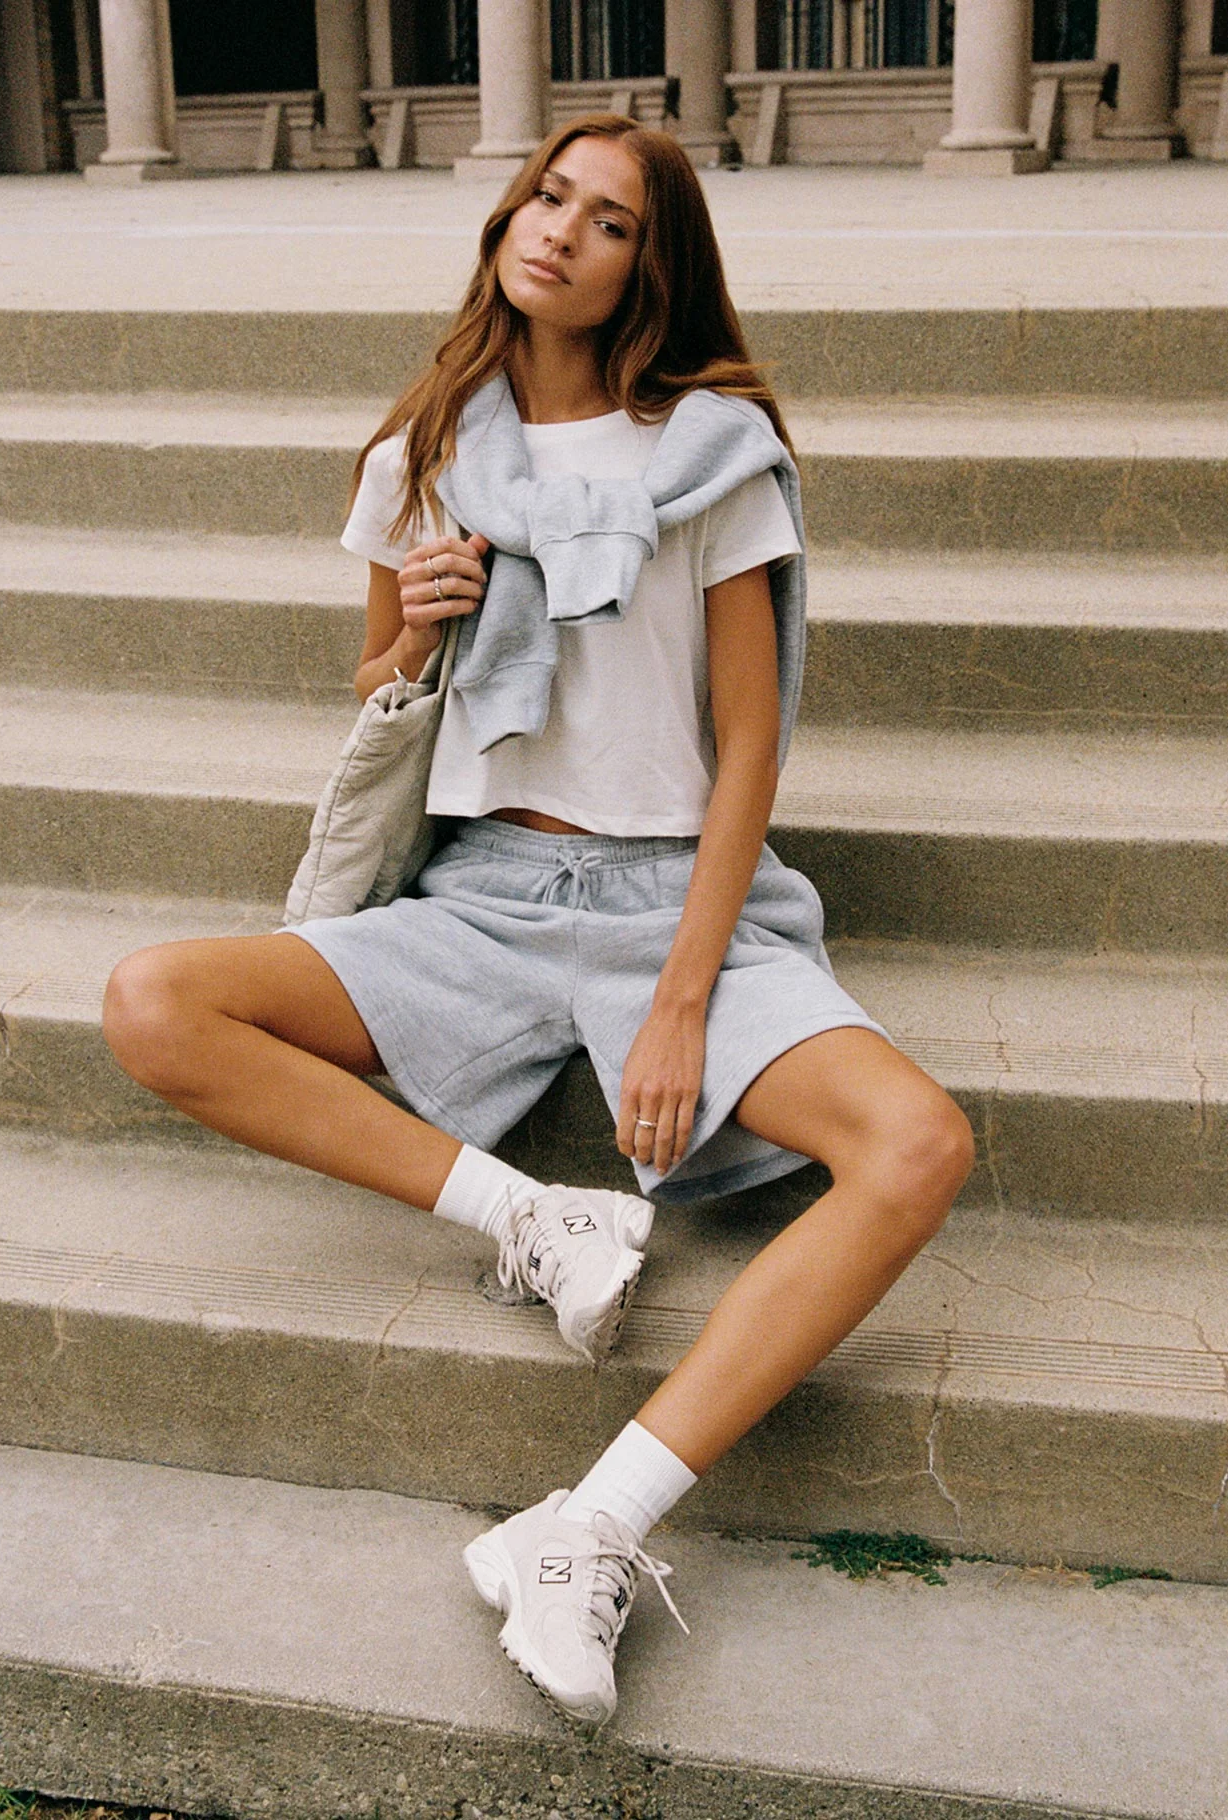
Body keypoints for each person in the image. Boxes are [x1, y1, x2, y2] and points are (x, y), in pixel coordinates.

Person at [101, 114, 974, 1733]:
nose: (562, 231)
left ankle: (590, 1527)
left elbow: (750, 747)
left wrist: (686, 996)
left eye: (611, 220)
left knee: (918, 1143)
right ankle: (534, 1216)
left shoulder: (708, 452)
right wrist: (415, 632)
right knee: (155, 1000)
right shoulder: (424, 452)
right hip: (483, 897)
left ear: (654, 266)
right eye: (547, 197)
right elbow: (381, 688)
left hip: (665, 896)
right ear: (508, 217)